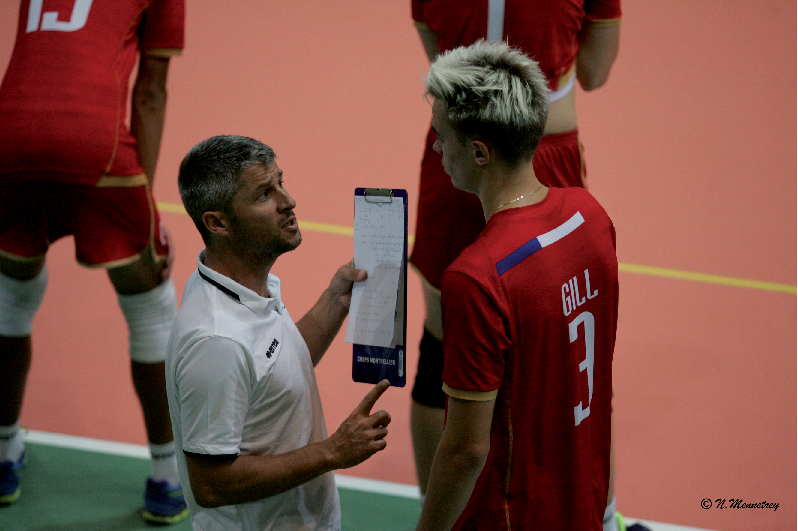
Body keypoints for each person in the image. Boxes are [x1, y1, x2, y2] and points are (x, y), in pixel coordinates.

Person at [408, 2, 629, 529]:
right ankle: (604, 513)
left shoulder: (454, 140)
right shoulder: (592, 218)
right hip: (542, 148)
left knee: (441, 348)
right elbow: (595, 72)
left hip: (461, 154)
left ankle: (438, 513)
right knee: (572, 344)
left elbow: (452, 72)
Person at [0, 0, 187, 524]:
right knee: (150, 305)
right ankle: (167, 479)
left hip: (8, 132)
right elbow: (149, 93)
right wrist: (146, 207)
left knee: (9, 298)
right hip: (93, 141)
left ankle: (2, 455)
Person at [168, 135, 392, 530]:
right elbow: (211, 485)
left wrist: (335, 301)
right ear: (217, 222)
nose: (287, 201)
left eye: (280, 183)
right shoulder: (217, 342)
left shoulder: (242, 285)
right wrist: (332, 452)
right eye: (263, 195)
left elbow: (269, 368)